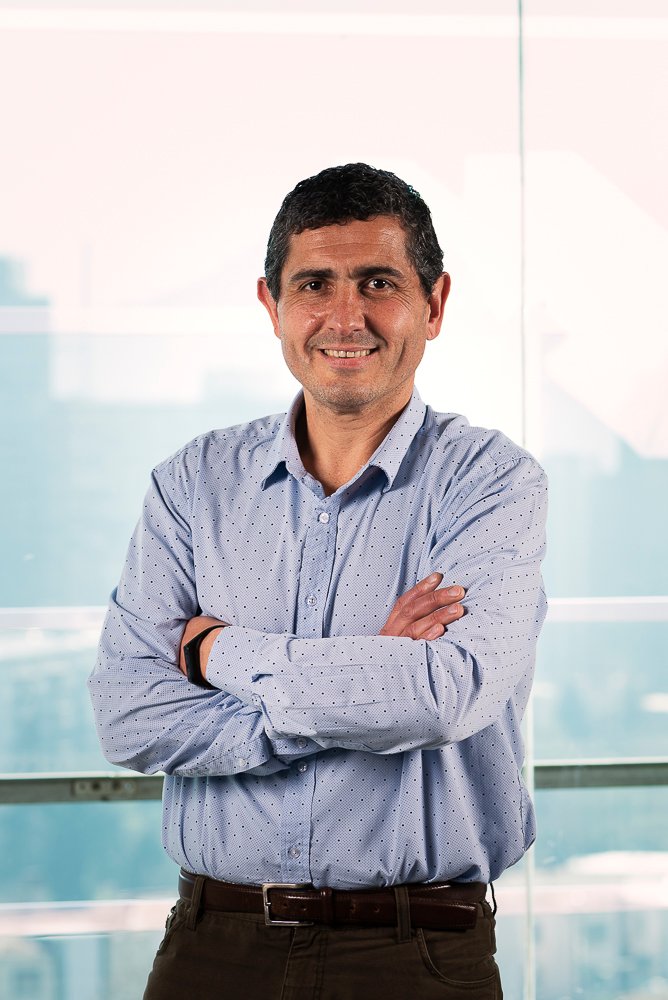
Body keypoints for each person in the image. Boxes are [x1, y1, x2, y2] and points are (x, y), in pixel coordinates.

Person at [89, 162, 547, 999]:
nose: (345, 317)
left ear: (434, 303)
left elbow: (441, 697)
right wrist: (365, 678)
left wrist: (219, 654)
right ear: (272, 306)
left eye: (379, 282)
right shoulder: (193, 484)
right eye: (314, 285)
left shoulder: (492, 483)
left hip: (417, 955)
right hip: (211, 949)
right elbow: (129, 716)